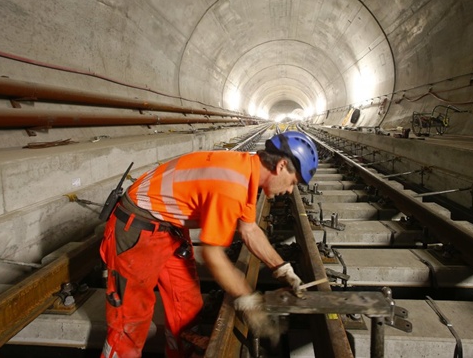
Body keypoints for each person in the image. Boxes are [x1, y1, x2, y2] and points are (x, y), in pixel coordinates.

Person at [99, 131, 319, 358]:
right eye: (294, 182)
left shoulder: (246, 171)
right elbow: (213, 255)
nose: (291, 190)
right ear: (281, 166)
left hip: (168, 228)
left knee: (187, 307)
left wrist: (282, 269)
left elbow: (249, 230)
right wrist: (247, 300)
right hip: (138, 227)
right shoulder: (232, 185)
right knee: (130, 320)